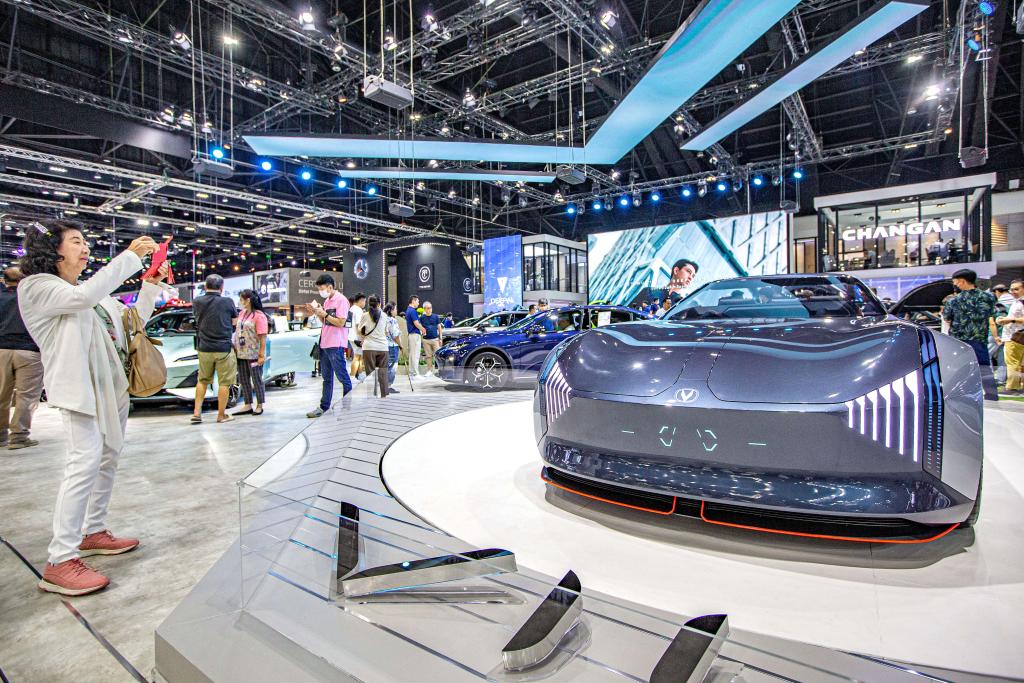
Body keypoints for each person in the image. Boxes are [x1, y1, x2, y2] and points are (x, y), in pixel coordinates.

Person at [18, 224, 165, 595]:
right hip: (80, 390)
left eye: (85, 241)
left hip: (112, 388)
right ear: (52, 250)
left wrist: (150, 285)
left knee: (107, 458)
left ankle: (93, 531)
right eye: (76, 241)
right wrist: (130, 257)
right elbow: (81, 297)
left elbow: (133, 323)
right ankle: (60, 559)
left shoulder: (94, 295)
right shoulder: (38, 286)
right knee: (83, 463)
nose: (85, 247)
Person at [0, 266, 45, 450]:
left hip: (1, 350)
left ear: (4, 280)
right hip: (29, 351)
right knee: (27, 396)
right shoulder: (33, 299)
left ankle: (1, 435)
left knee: (1, 394)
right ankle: (18, 436)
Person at [943, 269, 999, 401]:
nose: (955, 284)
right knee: (984, 367)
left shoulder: (954, 300)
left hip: (958, 340)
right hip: (979, 338)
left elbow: (947, 318)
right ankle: (992, 394)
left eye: (956, 282)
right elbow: (992, 314)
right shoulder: (989, 297)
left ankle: (959, 394)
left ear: (962, 281)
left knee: (958, 368)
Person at [191, 274, 238, 424]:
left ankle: (197, 413)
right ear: (222, 288)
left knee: (202, 380)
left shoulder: (197, 301)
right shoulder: (228, 301)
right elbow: (235, 322)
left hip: (204, 347)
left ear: (205, 286)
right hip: (223, 347)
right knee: (224, 383)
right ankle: (221, 415)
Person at [306, 274, 352, 418]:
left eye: (322, 288)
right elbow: (326, 322)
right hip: (325, 343)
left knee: (342, 377)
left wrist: (325, 314)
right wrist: (317, 312)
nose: (320, 291)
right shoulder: (327, 301)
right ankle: (324, 407)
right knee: (326, 378)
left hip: (336, 344)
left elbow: (341, 322)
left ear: (330, 287)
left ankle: (347, 408)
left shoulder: (341, 300)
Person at [233, 289, 268, 416]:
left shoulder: (259, 315)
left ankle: (259, 405)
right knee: (244, 379)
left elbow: (263, 336)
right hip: (241, 353)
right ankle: (247, 404)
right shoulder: (242, 313)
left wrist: (261, 355)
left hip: (254, 353)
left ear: (248, 300)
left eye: (241, 299)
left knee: (256, 379)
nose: (240, 302)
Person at [357, 295, 390, 398]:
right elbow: (386, 332)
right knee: (383, 372)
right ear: (379, 304)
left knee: (370, 373)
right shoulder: (384, 315)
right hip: (383, 347)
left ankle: (372, 395)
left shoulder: (365, 315)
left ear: (369, 304)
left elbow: (360, 331)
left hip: (369, 347)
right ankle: (384, 395)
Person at [996, 279, 1024, 395]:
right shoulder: (1016, 302)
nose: (1013, 292)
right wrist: (1004, 319)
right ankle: (1020, 386)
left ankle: (1012, 388)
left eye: (1016, 289)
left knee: (1013, 363)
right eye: (1011, 289)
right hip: (1015, 336)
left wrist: (1010, 320)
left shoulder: (1021, 302)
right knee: (1020, 363)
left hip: (1015, 336)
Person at [419, 301, 443, 376]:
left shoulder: (435, 316)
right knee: (428, 356)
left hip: (435, 339)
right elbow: (419, 327)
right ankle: (429, 371)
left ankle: (440, 370)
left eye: (430, 308)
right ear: (424, 309)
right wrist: (421, 336)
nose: (429, 309)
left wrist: (440, 338)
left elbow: (439, 327)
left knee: (438, 355)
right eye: (428, 308)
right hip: (426, 340)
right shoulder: (422, 318)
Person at [405, 295, 426, 378]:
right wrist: (423, 329)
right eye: (417, 301)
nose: (418, 303)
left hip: (411, 335)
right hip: (414, 334)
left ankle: (412, 372)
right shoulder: (413, 311)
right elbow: (416, 323)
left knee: (412, 355)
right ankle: (416, 373)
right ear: (413, 301)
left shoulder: (408, 310)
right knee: (415, 354)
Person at [384, 302, 401, 394]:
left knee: (387, 365)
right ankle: (388, 385)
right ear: (391, 310)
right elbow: (395, 335)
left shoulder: (384, 319)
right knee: (392, 366)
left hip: (385, 345)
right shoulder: (392, 320)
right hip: (393, 345)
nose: (396, 311)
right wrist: (401, 345)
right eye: (395, 309)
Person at [349, 292, 366, 381]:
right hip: (357, 337)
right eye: (364, 301)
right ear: (361, 300)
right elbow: (359, 325)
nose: (365, 303)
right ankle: (352, 376)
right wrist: (362, 337)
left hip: (351, 336)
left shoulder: (351, 308)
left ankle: (358, 375)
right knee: (357, 357)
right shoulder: (358, 310)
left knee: (358, 356)